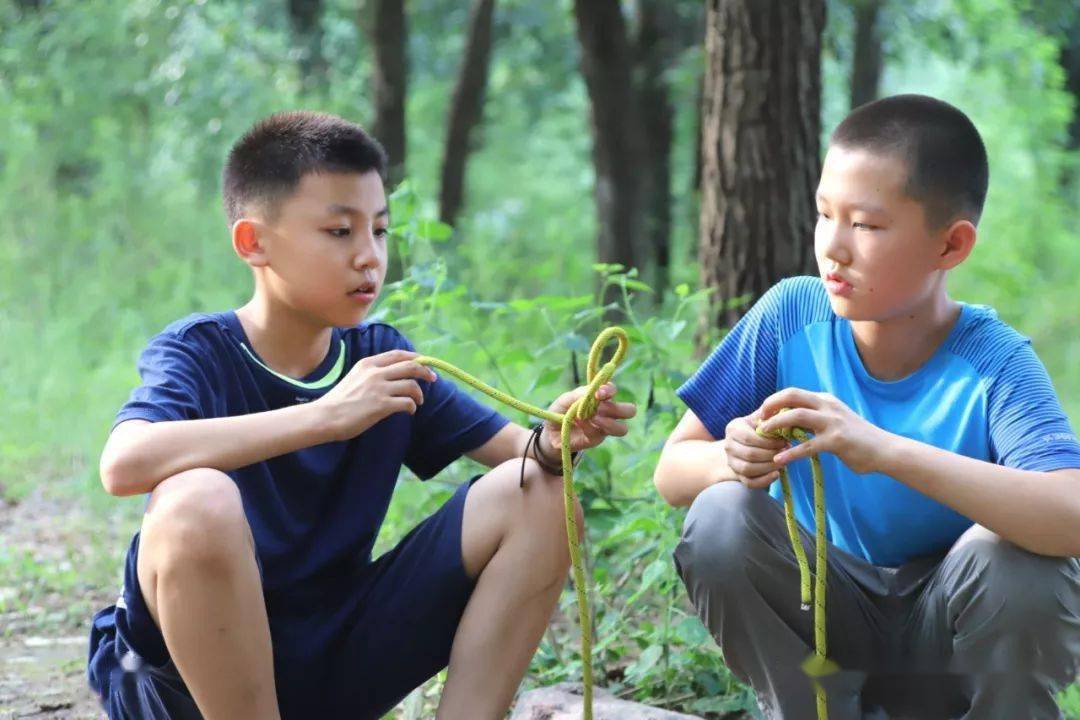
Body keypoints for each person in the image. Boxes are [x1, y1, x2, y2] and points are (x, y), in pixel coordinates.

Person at [86, 110, 637, 720]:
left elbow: (522, 455)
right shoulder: (199, 352)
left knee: (539, 496)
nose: (369, 258)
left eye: (379, 231)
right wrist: (326, 415)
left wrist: (558, 439)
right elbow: (124, 463)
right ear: (254, 242)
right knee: (196, 501)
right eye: (339, 232)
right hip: (188, 690)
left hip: (332, 660)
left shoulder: (379, 360)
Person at [653, 94, 1080, 719]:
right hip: (827, 632)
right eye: (825, 214)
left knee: (1019, 563)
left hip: (950, 639)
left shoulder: (993, 362)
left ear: (951, 246)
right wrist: (733, 456)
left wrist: (885, 451)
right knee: (720, 516)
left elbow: (1070, 513)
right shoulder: (790, 316)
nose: (834, 246)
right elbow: (672, 472)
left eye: (867, 225)